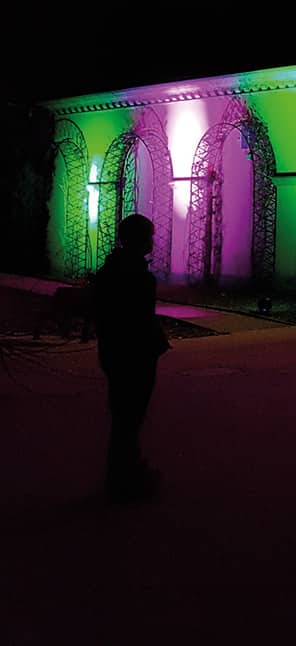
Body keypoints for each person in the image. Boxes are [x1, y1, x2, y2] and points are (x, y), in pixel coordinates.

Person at [93, 214, 170, 502]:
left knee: (123, 415)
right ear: (140, 240)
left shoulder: (109, 271)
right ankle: (125, 479)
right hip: (134, 355)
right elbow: (139, 319)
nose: (153, 240)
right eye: (149, 235)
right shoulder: (137, 275)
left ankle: (124, 473)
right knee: (129, 416)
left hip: (114, 352)